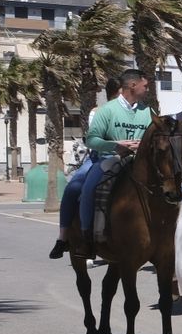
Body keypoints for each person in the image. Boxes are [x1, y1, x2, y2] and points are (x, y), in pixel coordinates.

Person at [49, 70, 152, 259]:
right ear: (132, 86)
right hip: (107, 159)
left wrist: (144, 144)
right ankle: (86, 238)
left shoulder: (147, 112)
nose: (148, 89)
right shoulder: (106, 110)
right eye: (145, 86)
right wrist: (116, 146)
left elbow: (154, 138)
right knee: (84, 188)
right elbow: (91, 141)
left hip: (138, 161)